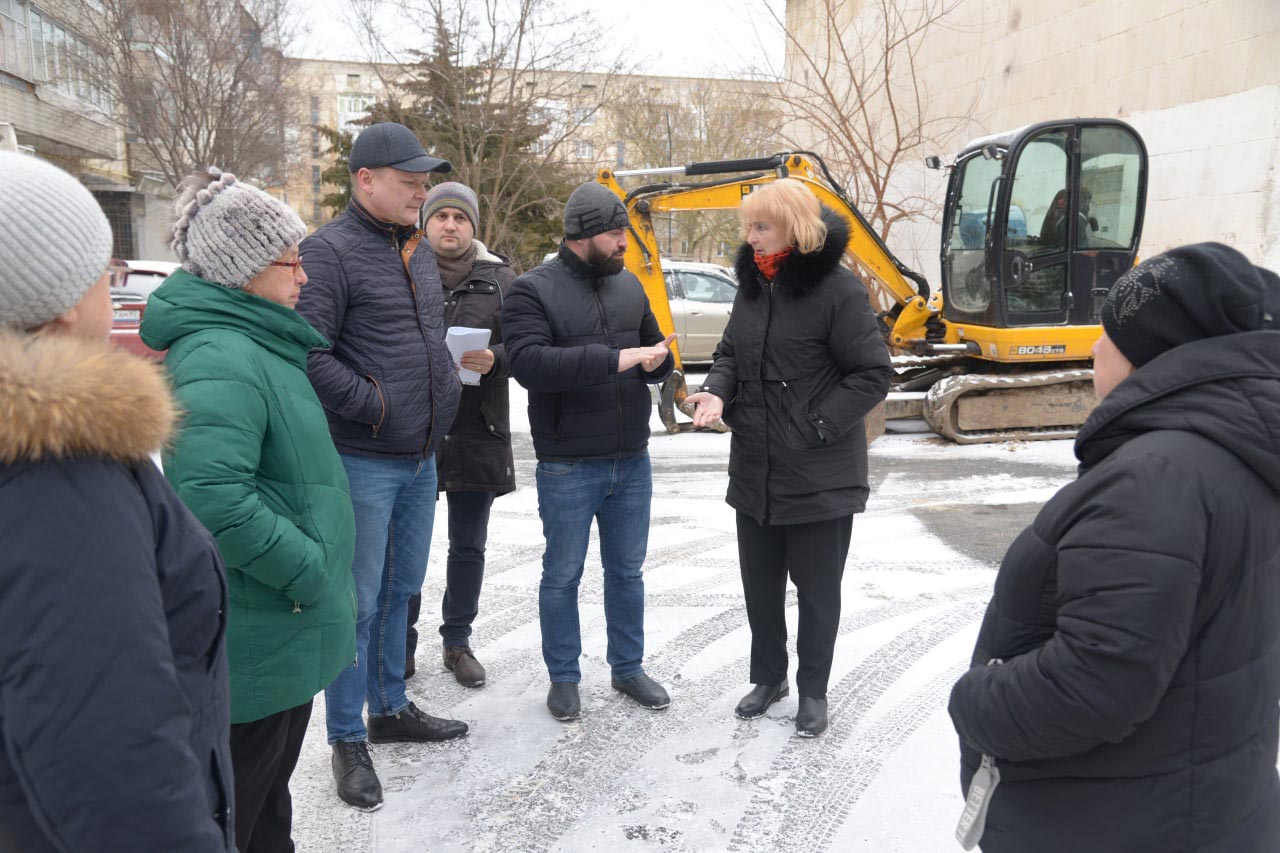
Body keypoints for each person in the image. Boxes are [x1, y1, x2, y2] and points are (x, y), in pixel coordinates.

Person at [948, 243, 1280, 851]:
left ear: (1152, 354)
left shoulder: (1156, 478)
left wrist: (975, 698)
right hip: (1199, 802)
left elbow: (1093, 686)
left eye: (1109, 335)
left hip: (1110, 814)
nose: (1096, 349)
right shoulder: (1236, 451)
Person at [0, 153, 234, 850]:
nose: (116, 289)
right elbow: (110, 755)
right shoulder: (58, 470)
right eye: (109, 273)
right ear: (67, 299)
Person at [138, 167, 358, 851]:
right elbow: (210, 495)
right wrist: (308, 570)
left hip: (278, 629)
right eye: (288, 261)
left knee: (265, 811)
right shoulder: (221, 354)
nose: (304, 276)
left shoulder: (256, 342)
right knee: (242, 812)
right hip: (262, 627)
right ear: (243, 271)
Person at [295, 122, 466, 812]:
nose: (421, 192)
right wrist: (372, 404)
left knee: (401, 589)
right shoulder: (328, 251)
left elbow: (422, 339)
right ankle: (345, 736)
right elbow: (308, 353)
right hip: (363, 457)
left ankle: (389, 707)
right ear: (365, 180)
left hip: (421, 455)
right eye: (409, 181)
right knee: (357, 601)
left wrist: (445, 385)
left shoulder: (416, 248)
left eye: (425, 181)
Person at [685, 179, 892, 738]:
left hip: (819, 472)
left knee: (817, 591)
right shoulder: (752, 286)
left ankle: (813, 691)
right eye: (748, 227)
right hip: (754, 464)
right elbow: (729, 352)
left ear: (795, 230)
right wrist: (716, 391)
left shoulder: (839, 291)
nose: (749, 238)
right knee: (761, 584)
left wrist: (816, 425)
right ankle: (769, 677)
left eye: (760, 227)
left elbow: (873, 374)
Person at [502, 181, 677, 722]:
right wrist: (615, 359)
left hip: (631, 457)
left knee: (627, 572)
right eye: (615, 232)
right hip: (568, 462)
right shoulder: (532, 290)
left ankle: (628, 668)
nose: (625, 241)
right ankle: (564, 677)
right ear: (582, 235)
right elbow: (529, 365)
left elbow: (654, 350)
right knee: (563, 574)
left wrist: (659, 363)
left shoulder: (628, 286)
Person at [404, 182, 517, 687]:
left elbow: (528, 346)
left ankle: (457, 641)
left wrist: (496, 359)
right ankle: (398, 643)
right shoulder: (402, 270)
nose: (450, 225)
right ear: (425, 223)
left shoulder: (502, 280)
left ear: (474, 227)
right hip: (413, 428)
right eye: (440, 216)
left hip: (477, 427)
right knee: (404, 546)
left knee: (467, 545)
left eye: (460, 218)